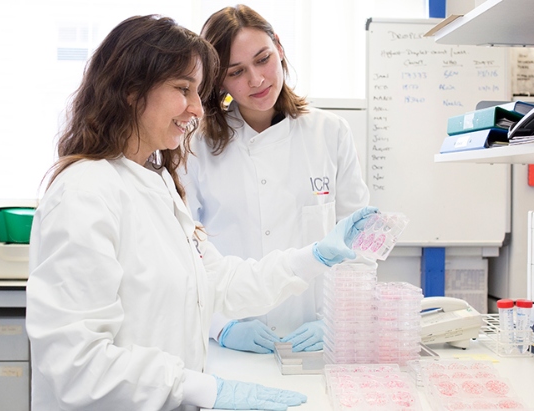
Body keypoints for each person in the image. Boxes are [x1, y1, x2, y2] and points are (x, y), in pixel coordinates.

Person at [25, 14, 378, 411]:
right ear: (130, 90)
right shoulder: (84, 193)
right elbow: (75, 364)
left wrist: (312, 259)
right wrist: (202, 389)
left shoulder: (155, 183)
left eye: (198, 91)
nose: (197, 107)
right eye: (183, 89)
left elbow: (219, 281)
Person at [180, 4, 375, 355]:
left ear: (280, 49)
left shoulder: (329, 133)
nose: (255, 80)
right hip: (230, 340)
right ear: (218, 80)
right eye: (236, 72)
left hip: (317, 337)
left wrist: (340, 320)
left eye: (262, 59)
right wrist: (221, 327)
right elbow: (184, 253)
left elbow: (358, 244)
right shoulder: (195, 145)